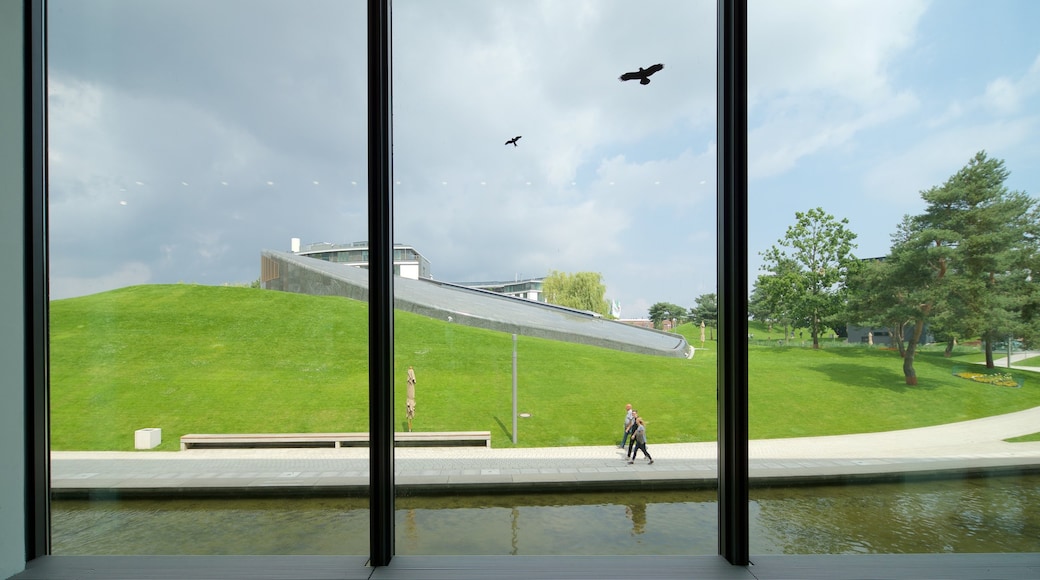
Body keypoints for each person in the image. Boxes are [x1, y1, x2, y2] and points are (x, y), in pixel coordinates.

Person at [406, 365, 416, 432]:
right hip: (410, 402)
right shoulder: (410, 400)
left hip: (410, 400)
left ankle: (410, 429)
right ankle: (409, 429)